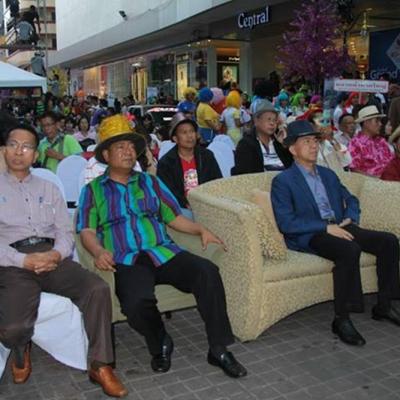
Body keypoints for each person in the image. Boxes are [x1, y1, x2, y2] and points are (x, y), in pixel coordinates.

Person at [77, 115, 247, 379]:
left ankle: (218, 349)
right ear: (106, 155)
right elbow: (86, 230)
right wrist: (98, 252)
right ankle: (160, 342)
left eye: (131, 147)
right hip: (127, 258)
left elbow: (173, 217)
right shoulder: (93, 191)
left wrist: (200, 229)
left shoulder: (150, 182)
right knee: (135, 303)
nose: (128, 152)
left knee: (207, 272)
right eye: (120, 147)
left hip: (163, 251)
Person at [0, 124, 127, 397]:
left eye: (27, 147)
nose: (19, 151)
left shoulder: (49, 188)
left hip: (52, 256)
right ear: (4, 150)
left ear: (36, 155)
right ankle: (21, 347)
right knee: (13, 329)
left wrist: (57, 254)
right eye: (13, 145)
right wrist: (23, 261)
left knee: (97, 289)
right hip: (12, 263)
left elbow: (65, 230)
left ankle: (101, 365)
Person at [271, 120, 400, 347]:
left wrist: (350, 216)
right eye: (306, 141)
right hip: (312, 233)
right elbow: (286, 223)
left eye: (315, 141)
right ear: (292, 149)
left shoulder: (328, 174)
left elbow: (351, 199)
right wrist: (325, 227)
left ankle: (384, 305)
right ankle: (342, 318)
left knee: (388, 241)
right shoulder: (283, 181)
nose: (314, 145)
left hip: (341, 225)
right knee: (348, 250)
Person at [157, 113, 222, 219]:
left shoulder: (206, 156)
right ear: (175, 138)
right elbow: (167, 192)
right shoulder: (166, 162)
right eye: (184, 132)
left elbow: (217, 181)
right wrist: (186, 204)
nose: (190, 136)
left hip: (206, 204)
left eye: (192, 131)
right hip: (180, 208)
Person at [231, 100, 292, 175]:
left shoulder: (278, 142)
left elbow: (293, 167)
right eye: (268, 119)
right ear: (256, 120)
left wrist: (284, 145)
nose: (272, 123)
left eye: (274, 120)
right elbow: (246, 177)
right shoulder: (245, 145)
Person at [349, 105, 394, 178]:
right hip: (369, 182)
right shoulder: (355, 143)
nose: (380, 124)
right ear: (366, 123)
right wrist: (375, 180)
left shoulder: (381, 141)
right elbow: (354, 170)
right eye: (377, 121)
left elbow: (392, 161)